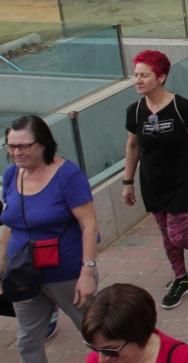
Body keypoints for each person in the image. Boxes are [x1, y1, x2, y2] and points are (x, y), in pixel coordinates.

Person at [1, 116, 98, 362]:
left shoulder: (67, 175)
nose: (16, 152)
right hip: (23, 273)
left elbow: (88, 224)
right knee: (27, 342)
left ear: (43, 143)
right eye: (11, 146)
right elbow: (10, 225)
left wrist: (87, 272)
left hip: (66, 273)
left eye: (24, 146)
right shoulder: (12, 175)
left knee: (95, 333)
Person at [122, 50, 188, 310]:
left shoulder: (181, 106)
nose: (138, 80)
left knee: (177, 234)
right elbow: (132, 146)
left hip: (181, 178)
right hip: (152, 180)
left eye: (144, 75)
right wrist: (127, 181)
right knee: (166, 235)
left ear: (161, 77)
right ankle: (180, 278)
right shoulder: (135, 110)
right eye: (136, 75)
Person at [82, 283, 188, 363]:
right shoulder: (94, 359)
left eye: (111, 351)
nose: (102, 360)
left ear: (141, 337)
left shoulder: (184, 359)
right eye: (94, 347)